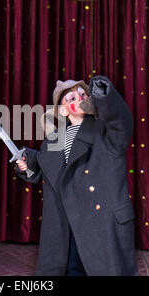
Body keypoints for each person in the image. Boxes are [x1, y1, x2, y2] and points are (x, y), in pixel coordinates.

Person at [15, 76, 138, 276]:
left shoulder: (106, 131)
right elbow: (47, 167)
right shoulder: (53, 141)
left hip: (99, 221)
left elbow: (121, 121)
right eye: (71, 98)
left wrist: (105, 96)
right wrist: (27, 162)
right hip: (67, 222)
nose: (80, 98)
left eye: (83, 94)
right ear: (63, 111)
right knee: (72, 269)